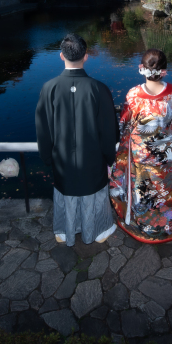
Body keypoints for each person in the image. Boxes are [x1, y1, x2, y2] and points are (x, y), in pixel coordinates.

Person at [35, 33, 119, 246]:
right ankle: (99, 231)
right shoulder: (99, 89)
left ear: (61, 56)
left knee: (65, 194)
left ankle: (64, 231)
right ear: (86, 56)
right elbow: (110, 130)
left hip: (61, 158)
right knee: (95, 193)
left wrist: (47, 156)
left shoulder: (49, 88)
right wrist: (110, 157)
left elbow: (43, 129)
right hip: (93, 157)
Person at [109, 48, 172, 243]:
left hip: (142, 156)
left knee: (143, 192)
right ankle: (166, 227)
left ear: (142, 69)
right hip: (167, 156)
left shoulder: (134, 95)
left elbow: (124, 124)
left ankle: (143, 227)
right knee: (165, 190)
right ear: (164, 70)